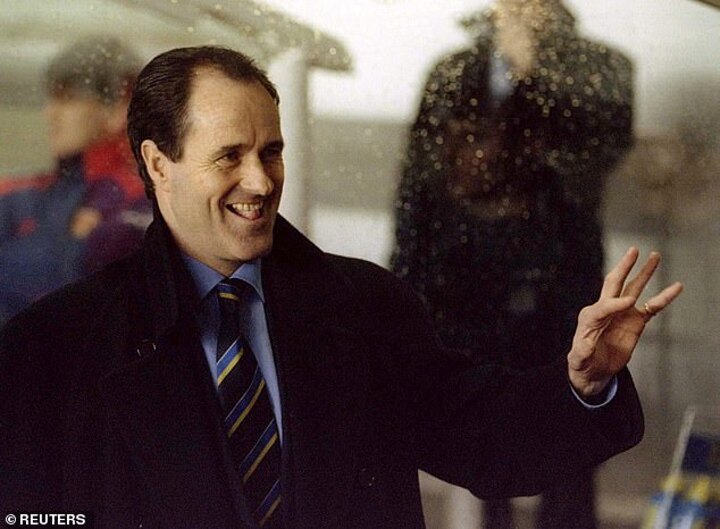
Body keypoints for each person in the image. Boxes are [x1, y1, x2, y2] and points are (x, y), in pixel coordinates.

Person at [0, 46, 682, 529]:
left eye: (271, 151)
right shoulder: (52, 346)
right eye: (229, 156)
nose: (260, 181)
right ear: (158, 164)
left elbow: (485, 440)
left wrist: (583, 382)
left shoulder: (367, 306)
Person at [391, 1, 634, 527]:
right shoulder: (453, 70)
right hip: (463, 280)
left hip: (556, 280)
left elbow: (591, 164)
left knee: (573, 433)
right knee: (477, 437)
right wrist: (403, 286)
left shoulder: (602, 67)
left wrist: (533, 72)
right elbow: (418, 183)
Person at [0, 36, 151, 325]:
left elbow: (77, 286)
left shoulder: (145, 197)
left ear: (119, 107)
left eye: (67, 98)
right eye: (51, 98)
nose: (49, 113)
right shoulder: (27, 193)